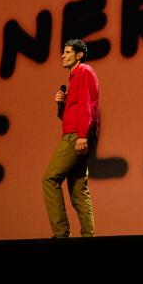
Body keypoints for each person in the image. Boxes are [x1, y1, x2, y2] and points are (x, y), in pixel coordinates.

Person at [43, 39, 99, 237]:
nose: (62, 55)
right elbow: (70, 115)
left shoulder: (83, 71)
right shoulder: (74, 77)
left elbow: (86, 105)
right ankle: (88, 236)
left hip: (75, 136)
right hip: (76, 133)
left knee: (50, 179)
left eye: (67, 52)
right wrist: (62, 104)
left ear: (79, 55)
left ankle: (60, 234)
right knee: (77, 189)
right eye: (63, 52)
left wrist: (82, 135)